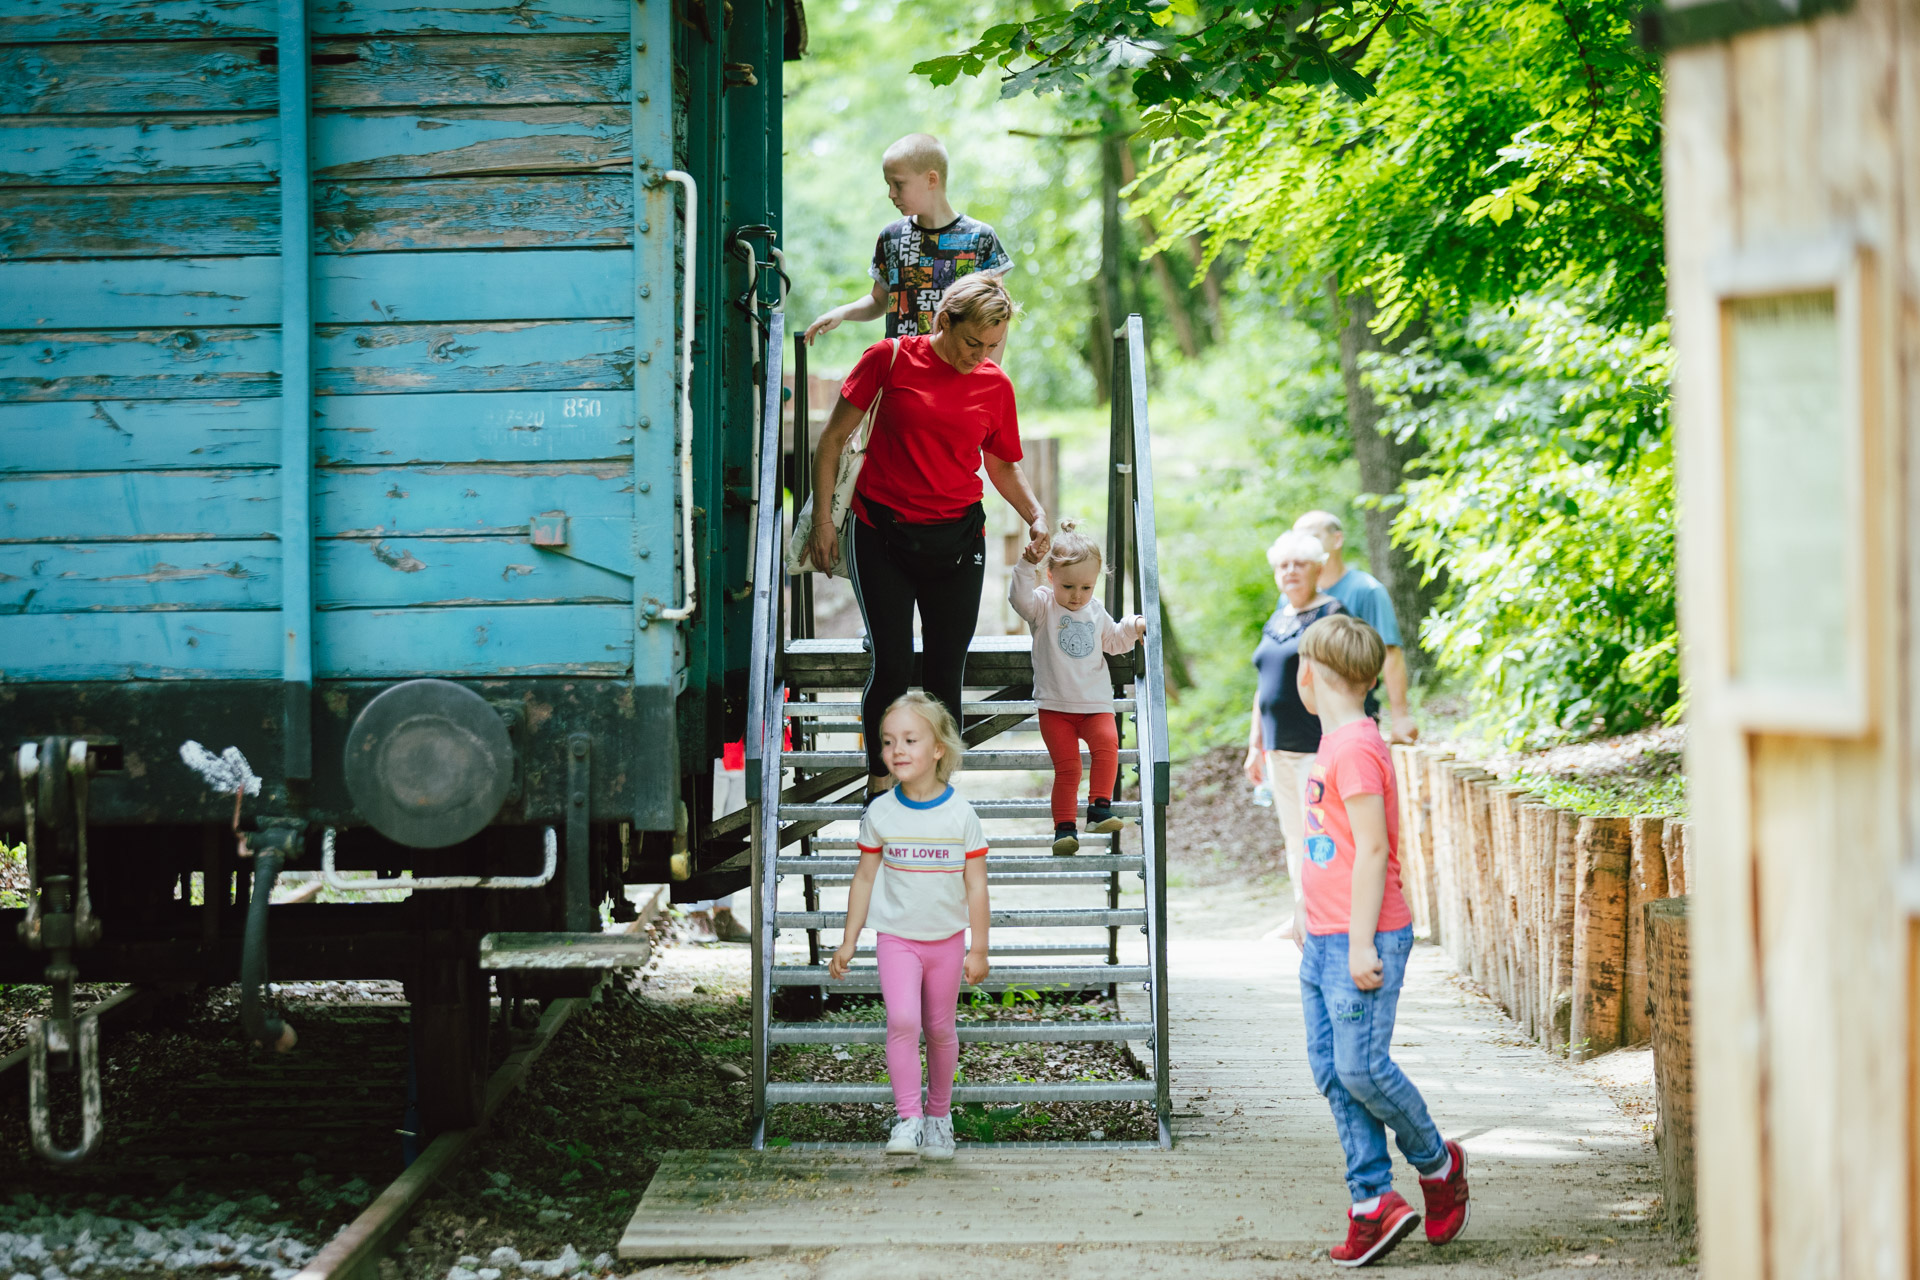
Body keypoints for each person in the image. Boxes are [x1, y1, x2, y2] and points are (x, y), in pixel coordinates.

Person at [803, 274, 1049, 801]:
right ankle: (879, 784)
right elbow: (832, 439)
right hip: (881, 535)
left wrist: (1035, 515)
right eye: (971, 342)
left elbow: (1002, 462)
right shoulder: (888, 358)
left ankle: (933, 795)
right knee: (891, 664)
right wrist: (824, 521)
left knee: (945, 673)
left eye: (992, 346)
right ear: (944, 321)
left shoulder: (994, 384)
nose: (980, 355)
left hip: (958, 542)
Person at [1293, 615, 1470, 1265]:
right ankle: (1371, 1202)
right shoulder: (1335, 744)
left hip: (1362, 939)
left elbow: (1372, 850)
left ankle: (1437, 1162)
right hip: (1324, 936)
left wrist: (1362, 942)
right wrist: (1302, 912)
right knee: (1332, 1072)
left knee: (1361, 1067)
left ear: (1308, 675)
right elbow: (1328, 847)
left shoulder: (1357, 749)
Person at [827, 693, 990, 1161]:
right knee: (902, 1021)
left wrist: (978, 949)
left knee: (939, 1029)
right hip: (896, 938)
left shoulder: (961, 815)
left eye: (910, 740)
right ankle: (908, 1119)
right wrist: (849, 940)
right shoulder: (880, 813)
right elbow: (863, 879)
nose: (896, 750)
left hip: (946, 941)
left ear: (938, 749)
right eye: (887, 741)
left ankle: (939, 1118)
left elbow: (976, 887)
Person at [803, 132, 1013, 363]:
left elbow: (997, 317)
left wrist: (990, 373)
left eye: (898, 184)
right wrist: (841, 313)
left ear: (932, 180)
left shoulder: (980, 238)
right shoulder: (891, 237)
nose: (891, 194)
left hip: (957, 373)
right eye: (888, 184)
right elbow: (879, 301)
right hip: (902, 371)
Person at [1008, 519, 1147, 856]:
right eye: (1068, 586)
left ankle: (1100, 808)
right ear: (1051, 577)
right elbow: (1018, 600)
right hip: (1055, 707)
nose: (1077, 596)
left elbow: (1114, 641)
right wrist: (1027, 564)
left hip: (1095, 703)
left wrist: (1133, 625)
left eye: (1086, 588)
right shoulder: (1042, 605)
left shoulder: (1095, 610)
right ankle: (1064, 830)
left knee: (1108, 745)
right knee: (1068, 769)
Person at [1243, 529, 1345, 913]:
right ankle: (1305, 911)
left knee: (1320, 830)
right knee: (1293, 832)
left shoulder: (1331, 614)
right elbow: (1263, 686)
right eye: (1283, 565)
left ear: (1318, 568)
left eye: (1299, 564)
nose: (1290, 572)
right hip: (1276, 747)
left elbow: (1345, 681)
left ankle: (1330, 911)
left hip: (1315, 745)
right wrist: (1255, 745)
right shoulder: (1279, 616)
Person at [1292, 511, 1417, 744]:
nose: (1304, 546)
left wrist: (1400, 717)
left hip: (1352, 719)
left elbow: (1390, 652)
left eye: (1312, 537)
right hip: (1301, 729)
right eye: (1297, 539)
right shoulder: (1290, 597)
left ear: (1337, 539)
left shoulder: (1366, 589)